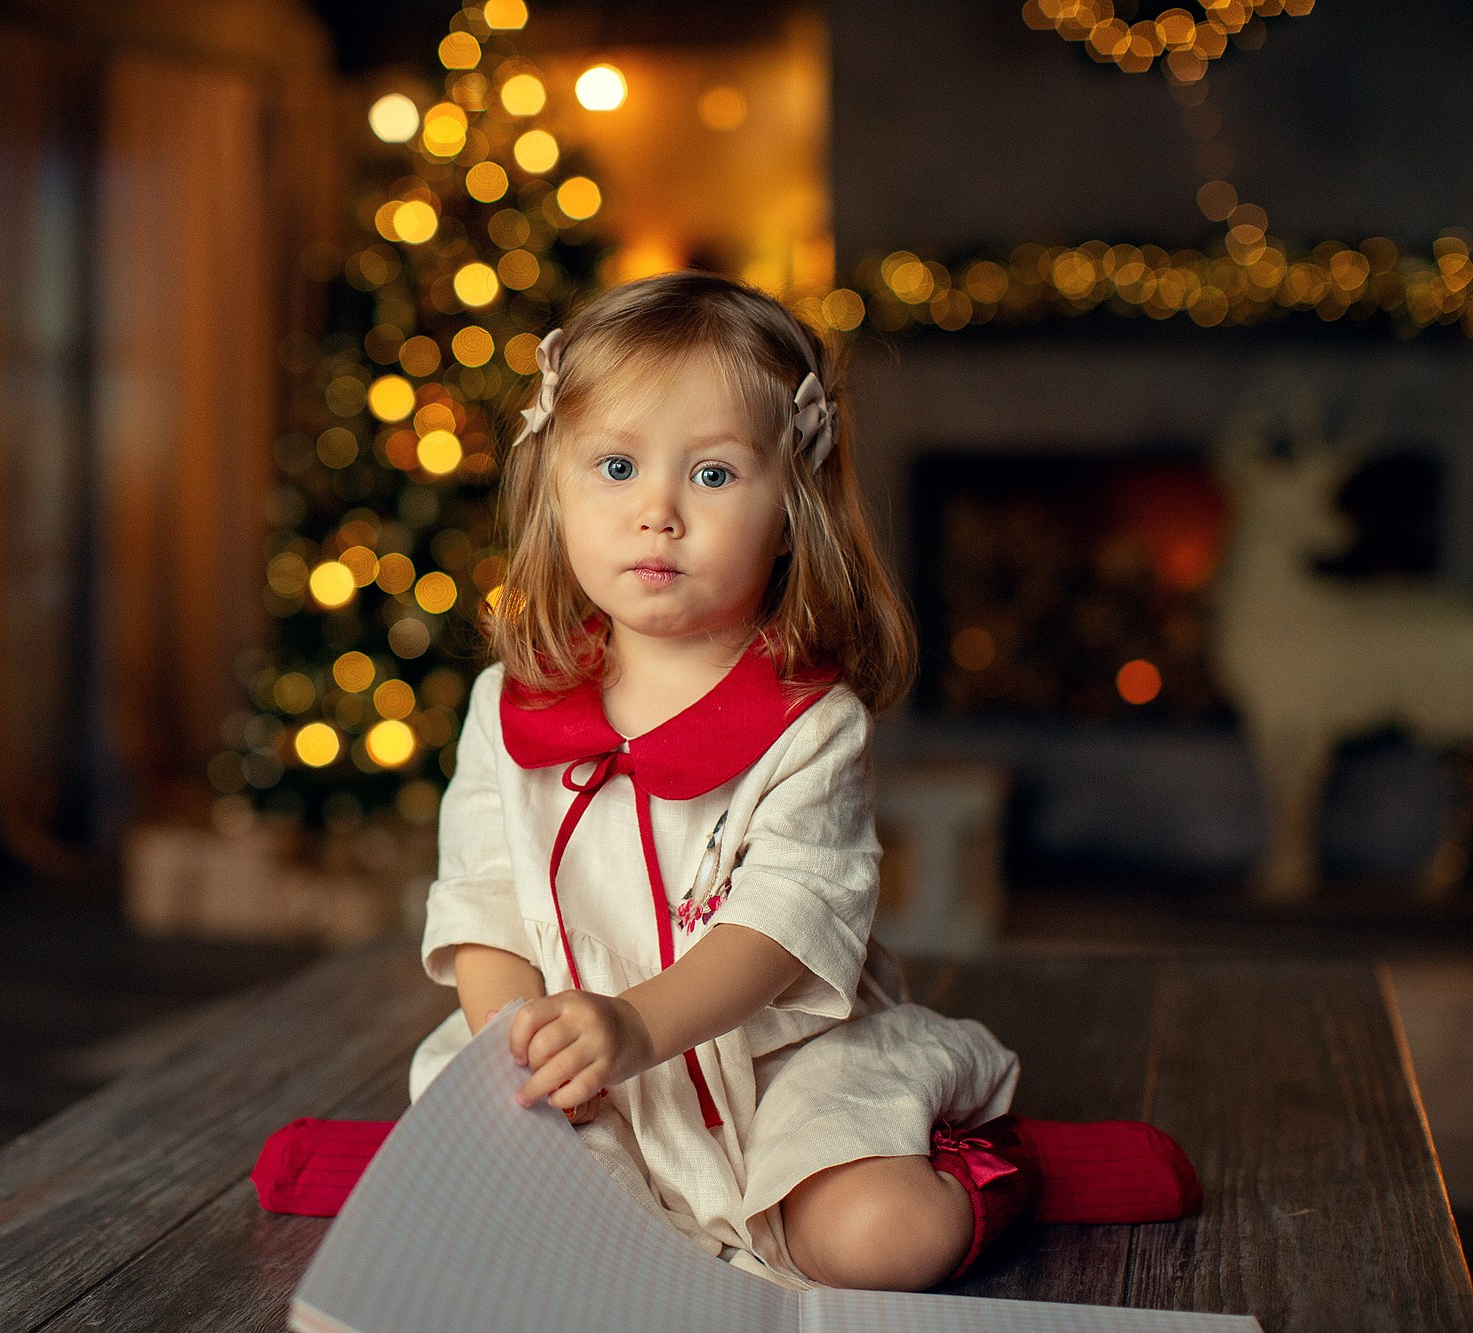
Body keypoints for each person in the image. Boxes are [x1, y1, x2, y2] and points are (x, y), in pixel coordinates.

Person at [398, 270, 1201, 1291]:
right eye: (614, 465)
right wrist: (520, 1058)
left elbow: (779, 927)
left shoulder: (806, 725)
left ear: (789, 509)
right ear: (554, 486)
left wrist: (638, 1024)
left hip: (777, 1063)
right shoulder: (506, 706)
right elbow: (485, 909)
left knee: (872, 1240)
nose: (657, 512)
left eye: (714, 476)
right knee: (514, 1236)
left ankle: (1010, 1166)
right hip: (591, 1065)